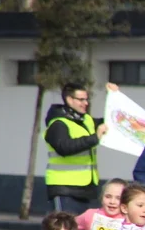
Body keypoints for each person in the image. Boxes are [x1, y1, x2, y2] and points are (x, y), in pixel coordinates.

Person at [43, 83, 108, 214]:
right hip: (64, 189)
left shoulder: (86, 120)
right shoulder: (58, 123)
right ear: (69, 100)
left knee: (85, 227)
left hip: (86, 189)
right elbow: (64, 147)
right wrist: (95, 138)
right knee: (65, 226)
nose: (86, 103)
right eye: (81, 100)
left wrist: (112, 96)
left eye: (86, 99)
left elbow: (110, 122)